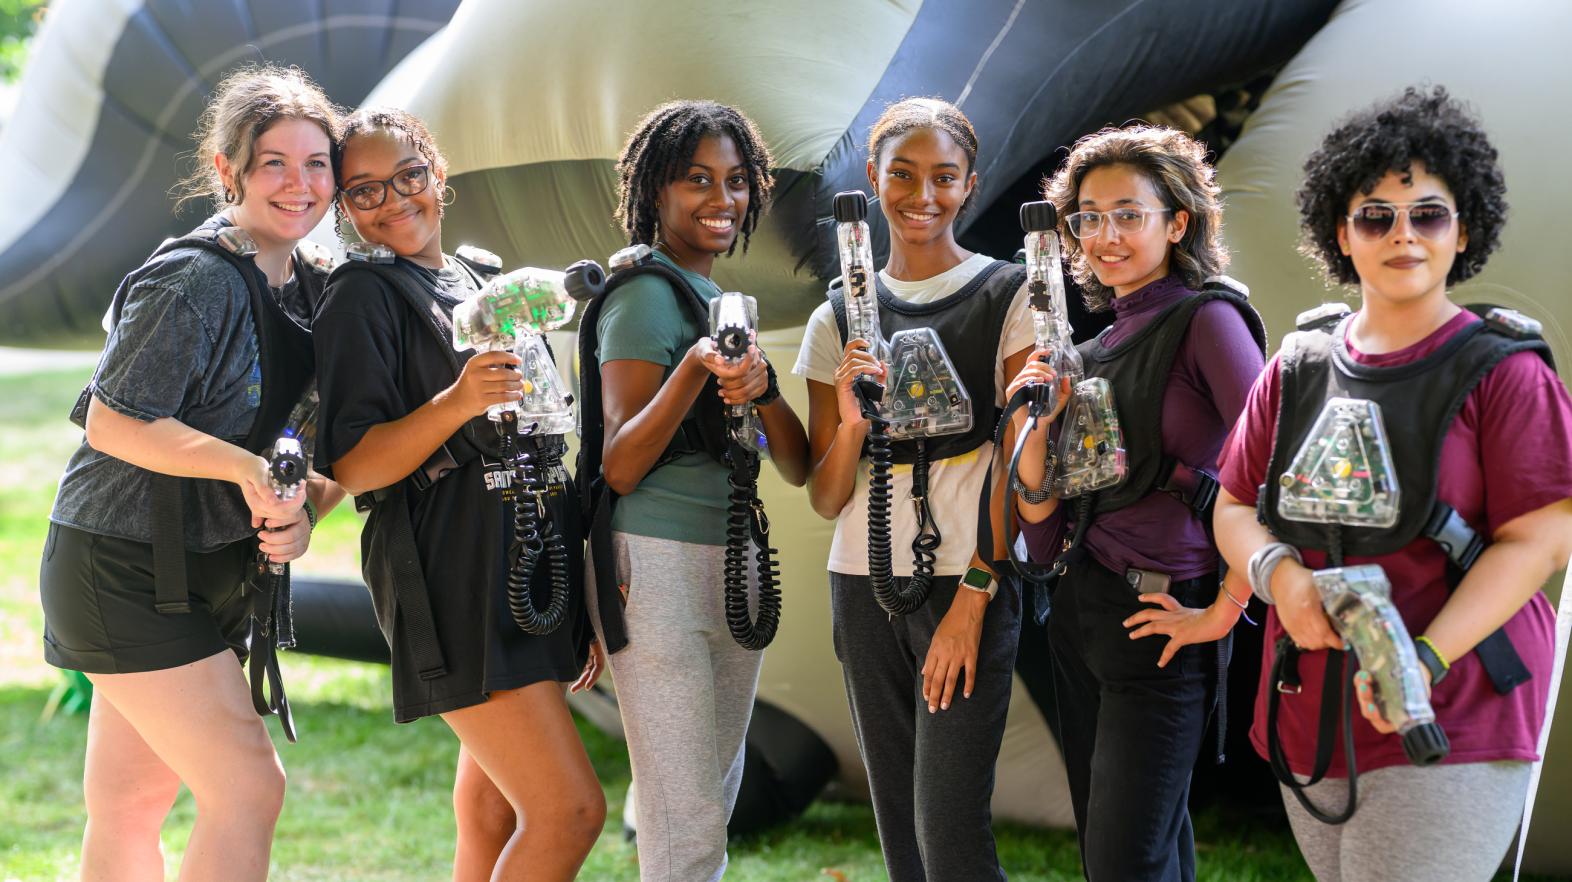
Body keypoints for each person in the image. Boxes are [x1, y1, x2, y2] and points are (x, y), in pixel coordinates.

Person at [1212, 85, 1572, 882]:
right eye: (1375, 215)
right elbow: (1234, 505)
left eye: (1427, 214)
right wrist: (1281, 579)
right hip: (1309, 709)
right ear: (1341, 233)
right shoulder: (1297, 368)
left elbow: (1541, 537)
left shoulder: (1505, 373)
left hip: (1455, 707)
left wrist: (1424, 659)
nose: (1401, 234)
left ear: (1464, 228)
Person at [38, 65, 343, 882]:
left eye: (316, 163)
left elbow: (306, 454)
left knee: (130, 805)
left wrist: (301, 508)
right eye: (273, 161)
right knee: (249, 789)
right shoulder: (194, 279)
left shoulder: (312, 288)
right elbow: (111, 418)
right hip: (121, 566)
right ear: (227, 170)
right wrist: (244, 470)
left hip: (208, 572)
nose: (299, 182)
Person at [313, 107, 604, 882]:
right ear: (344, 210)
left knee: (495, 810)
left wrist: (576, 587)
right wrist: (455, 403)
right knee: (571, 813)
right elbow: (353, 466)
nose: (394, 200)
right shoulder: (361, 298)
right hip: (450, 568)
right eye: (365, 191)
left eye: (408, 175)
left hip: (525, 548)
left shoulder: (478, 277)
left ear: (438, 174)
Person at [1011, 124, 1266, 882]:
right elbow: (1043, 526)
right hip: (1082, 620)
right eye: (1088, 217)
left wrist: (1226, 607)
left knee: (1125, 863)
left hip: (1166, 623)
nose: (1105, 235)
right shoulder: (1087, 352)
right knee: (1124, 858)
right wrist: (1037, 423)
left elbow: (1274, 472)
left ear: (1177, 222)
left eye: (1129, 213)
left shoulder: (1209, 320)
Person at [794, 96, 1032, 881]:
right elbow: (827, 496)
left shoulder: (1010, 294)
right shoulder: (838, 315)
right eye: (902, 173)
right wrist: (857, 421)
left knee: (949, 834)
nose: (921, 195)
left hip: (968, 577)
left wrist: (975, 594)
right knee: (900, 831)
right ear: (872, 178)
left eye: (943, 177)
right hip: (861, 583)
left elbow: (1018, 460)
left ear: (970, 185)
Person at [579, 98, 809, 882]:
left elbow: (800, 464)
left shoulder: (719, 300)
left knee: (711, 791)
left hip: (735, 556)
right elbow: (620, 462)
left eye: (737, 181)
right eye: (697, 180)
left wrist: (761, 385)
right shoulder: (644, 294)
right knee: (685, 816)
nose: (722, 200)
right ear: (656, 191)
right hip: (657, 562)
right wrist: (694, 369)